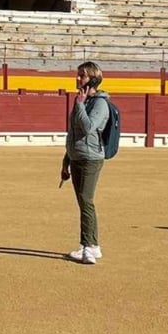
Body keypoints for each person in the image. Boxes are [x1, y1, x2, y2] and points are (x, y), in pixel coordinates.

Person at [60, 61, 110, 265]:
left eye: (82, 75)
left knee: (86, 201)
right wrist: (65, 162)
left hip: (91, 158)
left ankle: (88, 247)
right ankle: (92, 246)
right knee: (83, 202)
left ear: (93, 79)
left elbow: (88, 128)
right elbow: (73, 134)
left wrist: (80, 104)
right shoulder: (82, 101)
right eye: (78, 74)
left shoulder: (100, 103)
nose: (78, 78)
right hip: (77, 156)